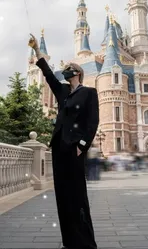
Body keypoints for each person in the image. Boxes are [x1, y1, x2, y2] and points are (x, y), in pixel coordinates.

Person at [28, 34, 99, 249]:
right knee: (62, 197)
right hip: (59, 148)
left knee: (77, 195)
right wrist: (37, 52)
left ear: (77, 73)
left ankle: (85, 243)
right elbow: (48, 74)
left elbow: (92, 122)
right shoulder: (63, 92)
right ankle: (69, 241)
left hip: (74, 150)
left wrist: (82, 146)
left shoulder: (88, 93)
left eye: (69, 68)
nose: (66, 70)